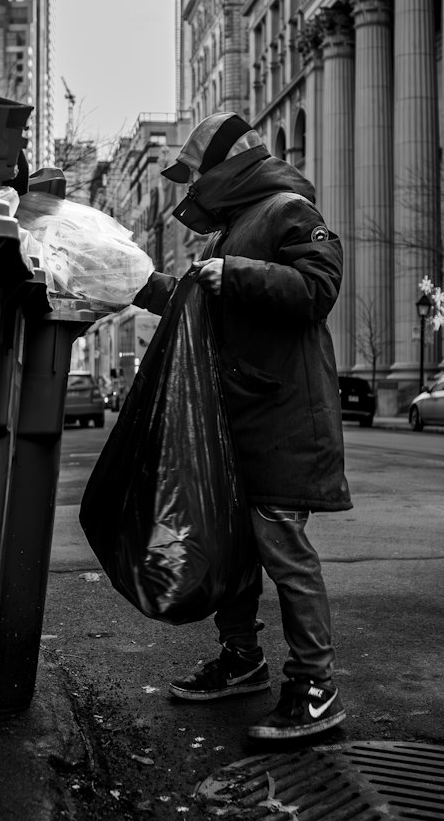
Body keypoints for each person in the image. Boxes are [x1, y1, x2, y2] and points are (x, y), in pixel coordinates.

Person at [133, 112, 351, 741]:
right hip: (239, 419)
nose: (190, 185)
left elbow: (319, 287)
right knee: (232, 547)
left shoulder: (288, 210)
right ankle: (241, 660)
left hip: (283, 419)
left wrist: (240, 274)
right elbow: (207, 304)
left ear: (226, 167)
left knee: (283, 548)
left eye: (196, 171)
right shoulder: (230, 231)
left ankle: (316, 688)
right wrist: (148, 288)